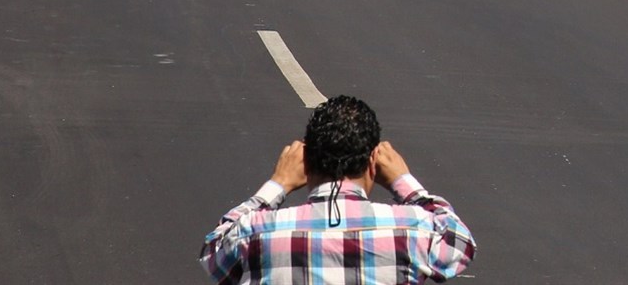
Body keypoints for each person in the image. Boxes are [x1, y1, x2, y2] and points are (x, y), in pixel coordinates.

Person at [201, 95, 475, 284]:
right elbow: (460, 244)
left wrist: (276, 186)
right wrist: (404, 183)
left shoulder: (257, 233)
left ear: (305, 162)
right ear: (373, 162)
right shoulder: (413, 229)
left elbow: (213, 254)